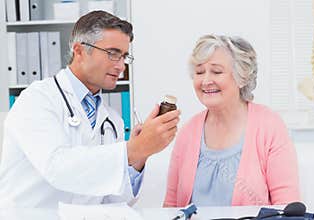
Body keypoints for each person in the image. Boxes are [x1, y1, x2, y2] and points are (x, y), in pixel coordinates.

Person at [0, 11, 180, 208]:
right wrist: (132, 149)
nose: (121, 66)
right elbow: (56, 168)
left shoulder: (113, 120)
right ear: (79, 51)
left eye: (124, 56)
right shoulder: (37, 99)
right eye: (113, 54)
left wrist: (140, 155)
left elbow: (114, 200)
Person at [163, 35, 300, 207]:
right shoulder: (188, 131)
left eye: (217, 71)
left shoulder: (269, 126)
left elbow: (287, 208)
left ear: (241, 77)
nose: (205, 81)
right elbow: (170, 207)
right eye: (199, 72)